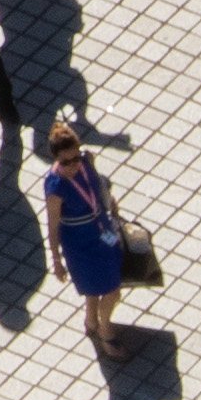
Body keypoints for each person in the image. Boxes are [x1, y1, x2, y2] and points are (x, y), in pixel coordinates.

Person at [39, 114, 139, 361]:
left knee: (101, 285)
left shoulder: (86, 161)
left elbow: (97, 186)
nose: (74, 165)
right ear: (56, 160)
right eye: (66, 162)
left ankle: (91, 319)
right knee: (112, 292)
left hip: (102, 231)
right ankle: (106, 331)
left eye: (76, 157)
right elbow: (52, 227)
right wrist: (57, 259)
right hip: (80, 243)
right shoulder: (55, 189)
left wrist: (110, 203)